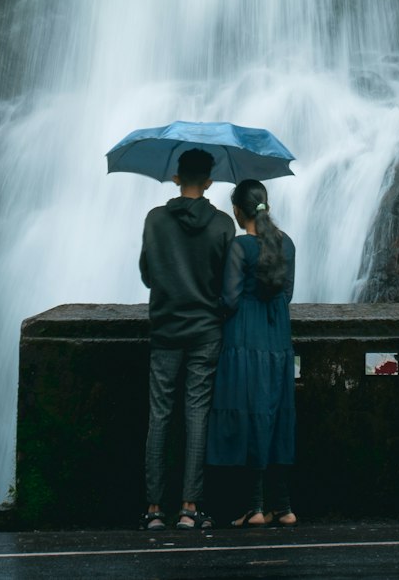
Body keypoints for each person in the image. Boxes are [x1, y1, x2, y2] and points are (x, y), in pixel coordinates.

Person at [138, 147, 235, 531]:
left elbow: (147, 275)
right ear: (209, 181)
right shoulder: (223, 225)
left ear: (176, 178)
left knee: (159, 415)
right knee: (197, 414)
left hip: (164, 329)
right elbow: (228, 284)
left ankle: (153, 510)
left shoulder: (155, 220)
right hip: (206, 330)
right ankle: (190, 508)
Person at [206, 178, 298, 527]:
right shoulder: (286, 243)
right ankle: (284, 506)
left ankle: (255, 506)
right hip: (277, 339)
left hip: (245, 338)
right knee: (276, 416)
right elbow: (286, 294)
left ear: (237, 210)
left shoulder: (241, 247)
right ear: (266, 207)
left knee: (250, 416)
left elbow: (229, 299)